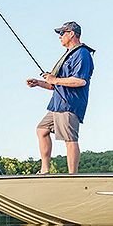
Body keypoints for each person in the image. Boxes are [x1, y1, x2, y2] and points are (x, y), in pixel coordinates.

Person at [27, 21, 95, 174]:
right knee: (42, 130)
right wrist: (39, 83)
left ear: (72, 34)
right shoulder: (67, 55)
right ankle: (44, 169)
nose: (59, 37)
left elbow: (80, 80)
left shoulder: (82, 54)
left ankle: (73, 175)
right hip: (57, 105)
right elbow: (53, 85)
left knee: (70, 139)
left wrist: (54, 80)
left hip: (69, 104)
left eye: (62, 33)